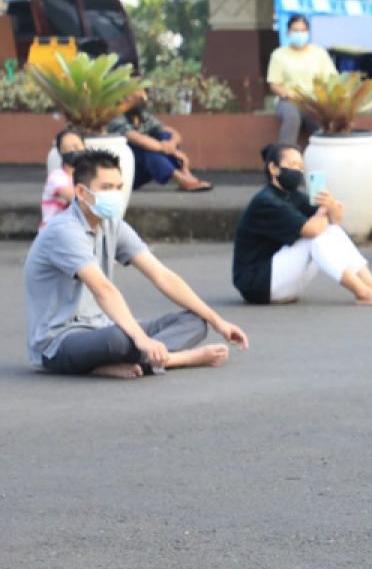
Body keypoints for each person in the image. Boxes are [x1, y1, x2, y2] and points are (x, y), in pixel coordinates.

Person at [24, 149, 248, 379]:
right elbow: (102, 289)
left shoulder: (112, 225)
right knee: (121, 339)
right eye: (106, 187)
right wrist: (141, 339)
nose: (115, 194)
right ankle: (176, 359)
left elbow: (161, 275)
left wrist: (218, 321)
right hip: (59, 342)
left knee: (195, 322)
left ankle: (116, 364)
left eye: (118, 187)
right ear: (81, 192)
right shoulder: (64, 231)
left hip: (103, 327)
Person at [232, 144, 372, 307]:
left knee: (333, 231)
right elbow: (312, 229)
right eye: (292, 165)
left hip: (281, 283)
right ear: (274, 169)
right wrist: (324, 211)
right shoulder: (266, 201)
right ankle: (362, 292)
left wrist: (330, 204)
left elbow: (336, 219)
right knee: (316, 237)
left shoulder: (292, 195)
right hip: (257, 285)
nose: (298, 171)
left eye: (301, 167)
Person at [107, 90, 214, 192]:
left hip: (141, 169)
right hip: (122, 175)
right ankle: (179, 177)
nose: (139, 100)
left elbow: (172, 132)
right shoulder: (114, 117)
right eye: (134, 97)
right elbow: (136, 138)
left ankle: (184, 172)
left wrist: (171, 143)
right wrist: (172, 151)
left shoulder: (143, 117)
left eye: (140, 97)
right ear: (122, 99)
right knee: (144, 148)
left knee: (165, 136)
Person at [267, 14, 338, 144]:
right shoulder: (279, 55)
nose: (299, 34)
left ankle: (326, 154)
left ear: (308, 32)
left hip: (314, 100)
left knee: (321, 121)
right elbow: (274, 84)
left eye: (303, 30)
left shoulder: (319, 53)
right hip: (289, 100)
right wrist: (288, 94)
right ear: (288, 32)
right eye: (295, 30)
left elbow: (331, 80)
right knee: (292, 118)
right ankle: (285, 155)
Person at [42, 128, 84, 228]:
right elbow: (79, 200)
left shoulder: (87, 175)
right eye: (67, 148)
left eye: (77, 146)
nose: (73, 151)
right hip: (55, 231)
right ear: (60, 152)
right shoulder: (56, 177)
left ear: (84, 146)